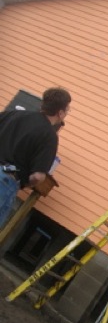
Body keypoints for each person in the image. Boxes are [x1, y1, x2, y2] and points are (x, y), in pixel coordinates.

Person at [0, 87, 71, 229]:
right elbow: (37, 177)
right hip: (5, 181)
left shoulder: (11, 114)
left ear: (42, 104)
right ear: (61, 113)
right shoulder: (49, 136)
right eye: (67, 110)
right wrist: (25, 184)